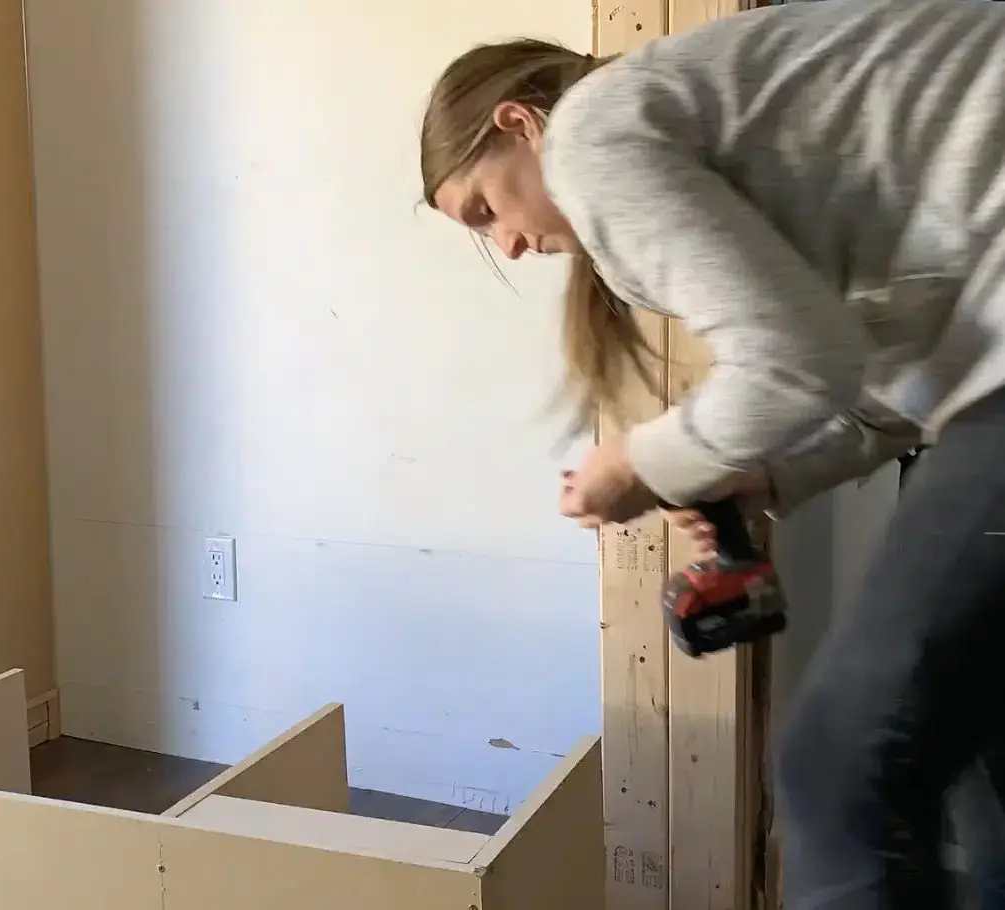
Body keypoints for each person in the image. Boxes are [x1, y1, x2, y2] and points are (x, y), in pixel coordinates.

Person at [418, 0, 1005, 907]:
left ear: (520, 124)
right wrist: (773, 475)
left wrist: (637, 465)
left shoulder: (593, 130)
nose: (509, 243)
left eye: (486, 208)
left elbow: (799, 361)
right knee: (973, 755)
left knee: (839, 773)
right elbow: (903, 380)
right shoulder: (709, 146)